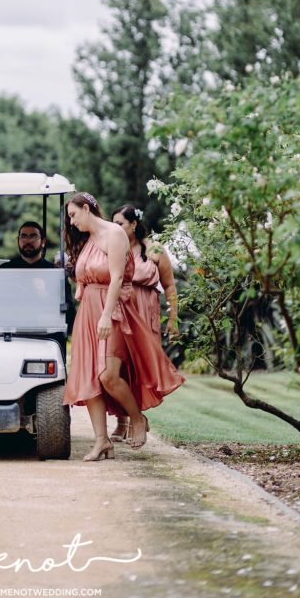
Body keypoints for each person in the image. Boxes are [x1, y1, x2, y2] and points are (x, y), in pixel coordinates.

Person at [62, 192, 184, 461]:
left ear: (86, 208)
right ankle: (102, 441)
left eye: (73, 215)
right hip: (88, 312)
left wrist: (105, 316)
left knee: (108, 375)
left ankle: (136, 418)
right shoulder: (88, 241)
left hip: (111, 310)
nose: (71, 222)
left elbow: (117, 277)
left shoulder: (114, 234)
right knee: (89, 378)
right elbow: (82, 280)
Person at [108, 205, 180, 442]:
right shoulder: (112, 248)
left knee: (139, 367)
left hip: (145, 309)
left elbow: (169, 285)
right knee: (118, 366)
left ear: (133, 225)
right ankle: (123, 420)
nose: (114, 228)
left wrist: (173, 318)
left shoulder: (155, 249)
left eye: (119, 224)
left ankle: (133, 420)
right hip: (121, 310)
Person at [0, 221, 76, 334]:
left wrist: (45, 294)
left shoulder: (54, 272)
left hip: (46, 334)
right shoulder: (5, 270)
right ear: (18, 241)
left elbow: (69, 313)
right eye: (23, 236)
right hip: (10, 334)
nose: (28, 241)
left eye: (33, 236)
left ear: (43, 242)